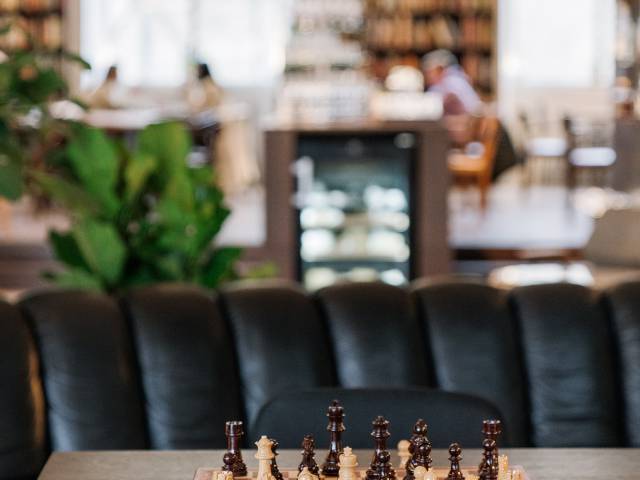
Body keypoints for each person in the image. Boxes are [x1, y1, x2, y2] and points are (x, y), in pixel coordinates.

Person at [422, 49, 481, 116]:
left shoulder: (453, 81)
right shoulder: (437, 85)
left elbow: (472, 108)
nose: (427, 76)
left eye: (429, 72)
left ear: (439, 69)